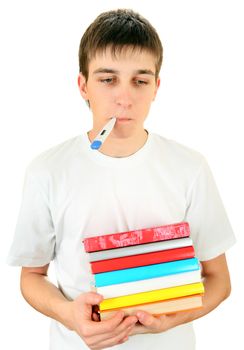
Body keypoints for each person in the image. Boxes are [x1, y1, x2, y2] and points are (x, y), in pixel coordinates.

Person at [7, 8, 236, 350]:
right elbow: (31, 276)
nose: (124, 99)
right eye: (107, 79)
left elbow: (218, 279)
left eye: (139, 81)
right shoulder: (46, 171)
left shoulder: (190, 167)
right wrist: (68, 313)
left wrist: (172, 320)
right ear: (83, 84)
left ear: (156, 87)